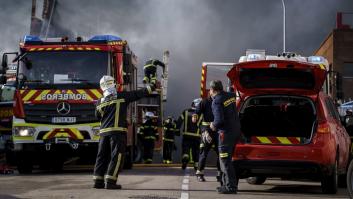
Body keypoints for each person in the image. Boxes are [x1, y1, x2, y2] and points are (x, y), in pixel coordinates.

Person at [93, 75, 154, 189]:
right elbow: (137, 94)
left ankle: (98, 181)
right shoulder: (121, 96)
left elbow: (97, 116)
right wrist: (151, 86)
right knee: (116, 156)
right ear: (113, 84)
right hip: (117, 133)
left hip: (103, 134)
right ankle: (110, 182)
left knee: (101, 157)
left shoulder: (99, 101)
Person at [209, 80, 241, 194]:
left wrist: (213, 125)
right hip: (236, 131)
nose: (210, 92)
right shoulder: (230, 96)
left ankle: (231, 187)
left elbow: (219, 120)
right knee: (228, 160)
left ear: (212, 90)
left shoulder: (216, 101)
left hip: (225, 134)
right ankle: (225, 185)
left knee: (224, 160)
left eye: (210, 90)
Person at [195, 95, 221, 182]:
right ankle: (200, 173)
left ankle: (220, 174)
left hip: (218, 131)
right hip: (207, 132)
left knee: (221, 154)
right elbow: (197, 114)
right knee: (204, 152)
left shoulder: (221, 101)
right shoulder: (205, 102)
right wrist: (204, 131)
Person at [177, 100, 203, 170]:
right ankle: (196, 165)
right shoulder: (201, 114)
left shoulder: (185, 112)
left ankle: (185, 160)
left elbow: (179, 121)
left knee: (186, 149)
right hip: (197, 136)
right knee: (196, 151)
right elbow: (203, 125)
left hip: (186, 135)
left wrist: (177, 130)